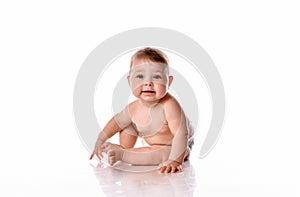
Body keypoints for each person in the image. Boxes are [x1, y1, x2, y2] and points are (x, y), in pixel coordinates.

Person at [90, 47, 194, 173]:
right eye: (140, 76)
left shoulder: (170, 105)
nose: (148, 83)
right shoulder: (133, 107)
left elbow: (181, 134)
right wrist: (100, 140)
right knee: (125, 124)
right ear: (129, 81)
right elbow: (116, 122)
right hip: (154, 139)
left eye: (156, 76)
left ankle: (124, 154)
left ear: (169, 82)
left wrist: (175, 160)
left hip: (175, 146)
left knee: (162, 153)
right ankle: (123, 150)